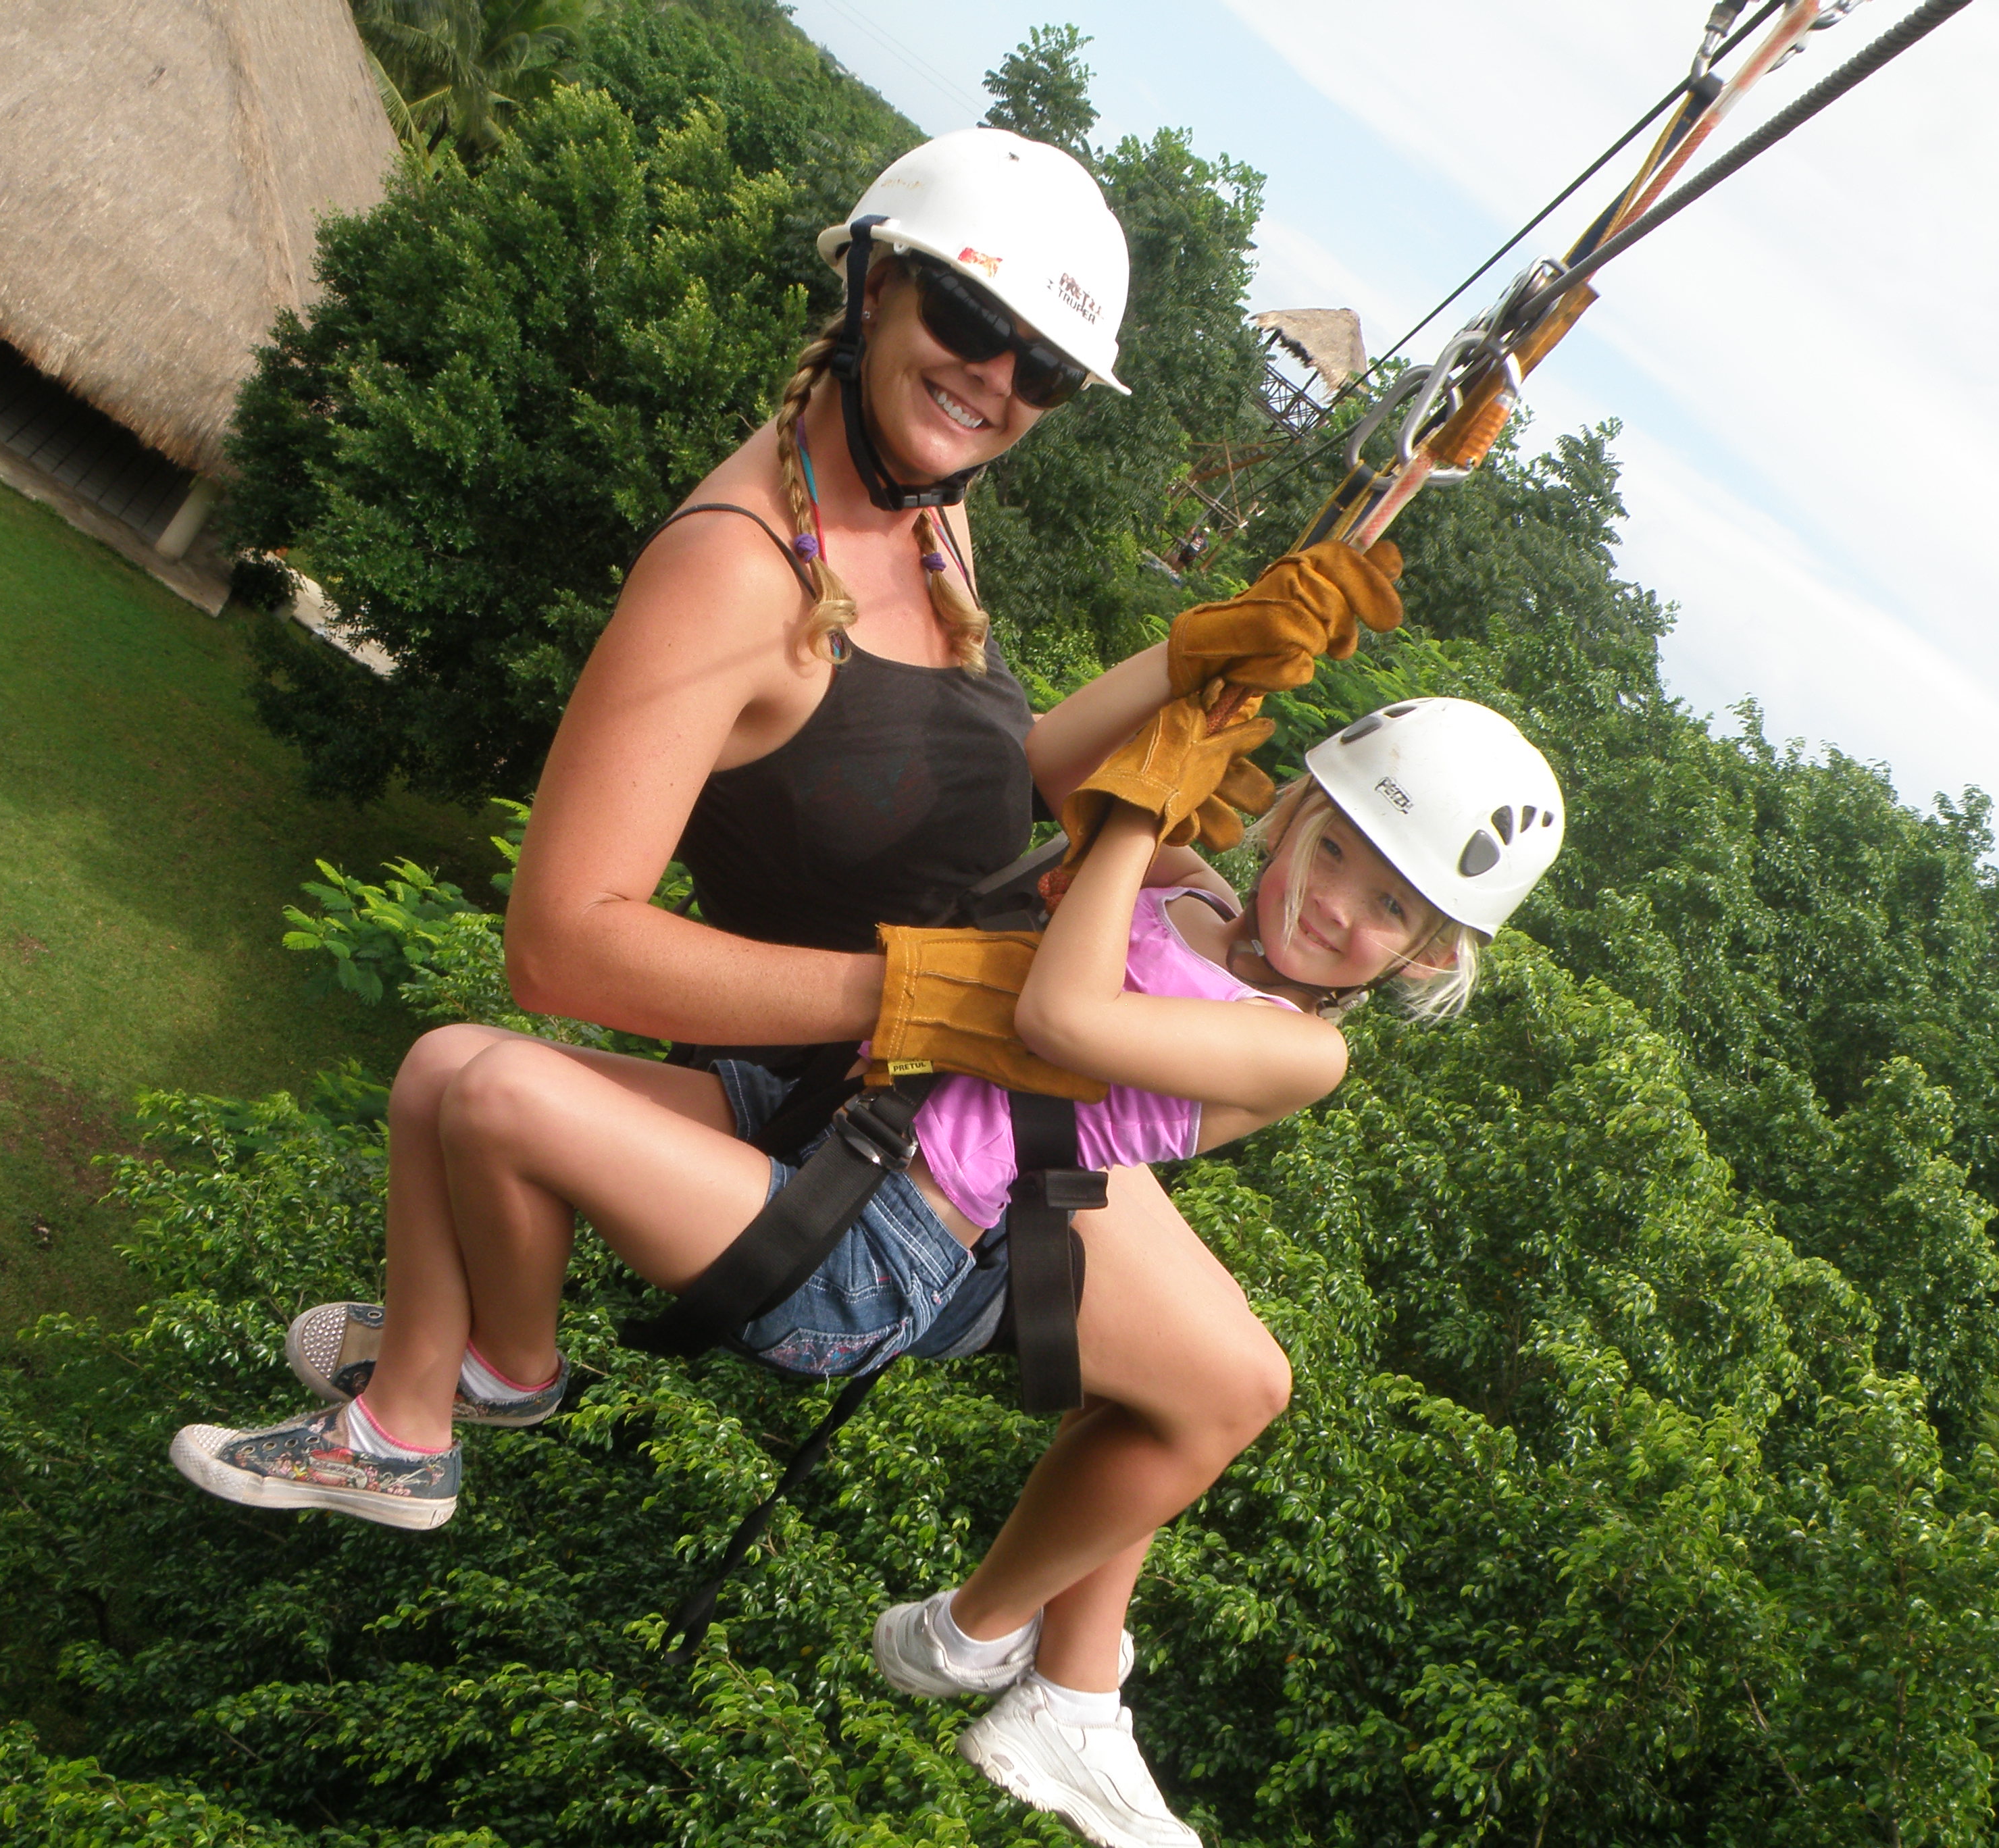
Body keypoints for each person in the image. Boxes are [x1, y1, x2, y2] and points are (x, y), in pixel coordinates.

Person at [167, 124, 1418, 1848]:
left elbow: (990, 799)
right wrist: (908, 995)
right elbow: (564, 942)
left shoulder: (929, 529)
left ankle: (1033, 1673)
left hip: (938, 1104)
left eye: (1041, 367)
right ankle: (480, 1400)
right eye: (968, 321)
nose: (994, 379)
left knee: (1228, 1386)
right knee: (466, 1068)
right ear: (870, 278)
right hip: (878, 1101)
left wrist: (1188, 661)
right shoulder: (737, 567)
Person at [175, 687, 1565, 1847]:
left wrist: (1141, 817)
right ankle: (452, 1390)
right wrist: (1194, 674)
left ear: (1427, 956)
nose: (1338, 911)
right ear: (1300, 822)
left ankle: (474, 1390)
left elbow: (1062, 1007)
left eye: (1389, 911)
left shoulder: (1299, 1050)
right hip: (835, 1120)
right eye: (1334, 857)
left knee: (500, 1104)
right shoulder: (1196, 891)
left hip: (875, 1247)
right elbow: (1060, 762)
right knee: (443, 1072)